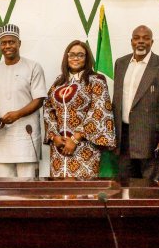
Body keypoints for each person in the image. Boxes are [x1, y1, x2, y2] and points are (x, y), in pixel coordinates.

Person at [112, 25, 159, 185]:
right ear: (131, 41)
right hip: (124, 139)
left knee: (150, 190)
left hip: (151, 141)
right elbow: (117, 101)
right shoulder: (120, 63)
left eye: (145, 38)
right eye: (137, 38)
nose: (141, 42)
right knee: (125, 187)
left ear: (152, 42)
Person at [43, 41, 116, 178]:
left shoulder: (96, 80)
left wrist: (75, 139)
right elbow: (48, 109)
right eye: (72, 55)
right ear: (66, 57)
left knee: (82, 193)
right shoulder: (59, 82)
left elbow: (99, 111)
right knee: (60, 190)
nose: (75, 58)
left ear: (87, 58)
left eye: (80, 55)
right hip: (59, 148)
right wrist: (54, 136)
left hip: (84, 148)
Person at [0, 24, 47, 178]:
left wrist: (17, 114)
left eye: (11, 42)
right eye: (3, 43)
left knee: (27, 186)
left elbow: (39, 99)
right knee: (4, 188)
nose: (7, 46)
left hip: (26, 135)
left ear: (19, 43)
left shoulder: (33, 67)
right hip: (2, 137)